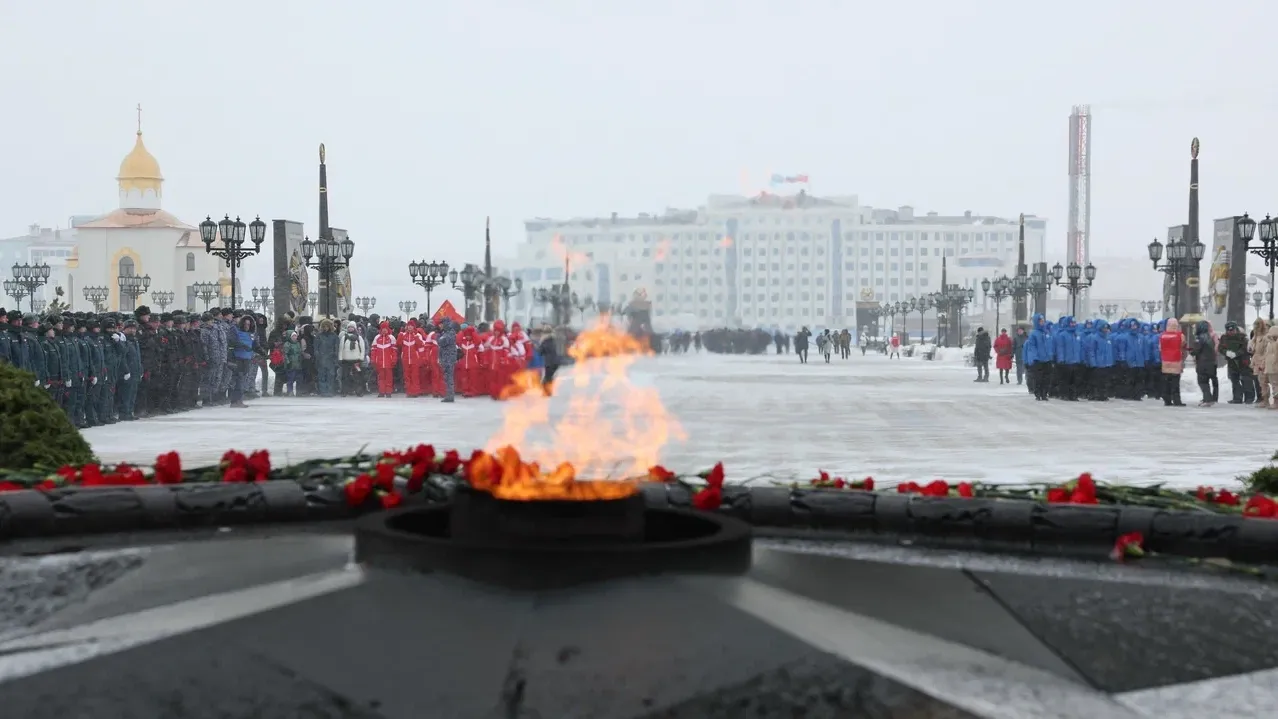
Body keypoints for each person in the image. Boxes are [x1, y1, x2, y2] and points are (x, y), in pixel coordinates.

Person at [228, 316, 258, 408]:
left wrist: (263, 352)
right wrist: (243, 346)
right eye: (245, 324)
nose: (247, 326)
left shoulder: (251, 334)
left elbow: (255, 346)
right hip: (238, 359)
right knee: (239, 380)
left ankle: (239, 400)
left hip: (247, 359)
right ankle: (235, 401)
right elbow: (234, 343)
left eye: (248, 324)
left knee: (243, 380)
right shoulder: (237, 332)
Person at [1157, 318, 1187, 406]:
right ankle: (1177, 401)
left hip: (1165, 361)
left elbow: (1160, 348)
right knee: (1175, 383)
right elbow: (1183, 344)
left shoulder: (1162, 335)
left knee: (1166, 382)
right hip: (1176, 361)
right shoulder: (1180, 335)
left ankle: (1167, 400)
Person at [370, 321, 399, 397]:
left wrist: (394, 359)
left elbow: (394, 350)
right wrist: (373, 359)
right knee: (380, 377)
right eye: (383, 328)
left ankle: (388, 392)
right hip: (379, 362)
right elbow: (373, 350)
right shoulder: (377, 337)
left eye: (385, 328)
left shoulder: (391, 338)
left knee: (389, 377)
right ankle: (381, 392)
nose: (384, 330)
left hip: (388, 362)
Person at [338, 320, 367, 396]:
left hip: (356, 360)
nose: (350, 329)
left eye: (352, 327)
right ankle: (344, 391)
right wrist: (340, 358)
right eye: (349, 327)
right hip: (346, 359)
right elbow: (341, 349)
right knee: (345, 376)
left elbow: (362, 349)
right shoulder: (344, 337)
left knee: (357, 376)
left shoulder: (359, 338)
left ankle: (359, 391)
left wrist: (361, 358)